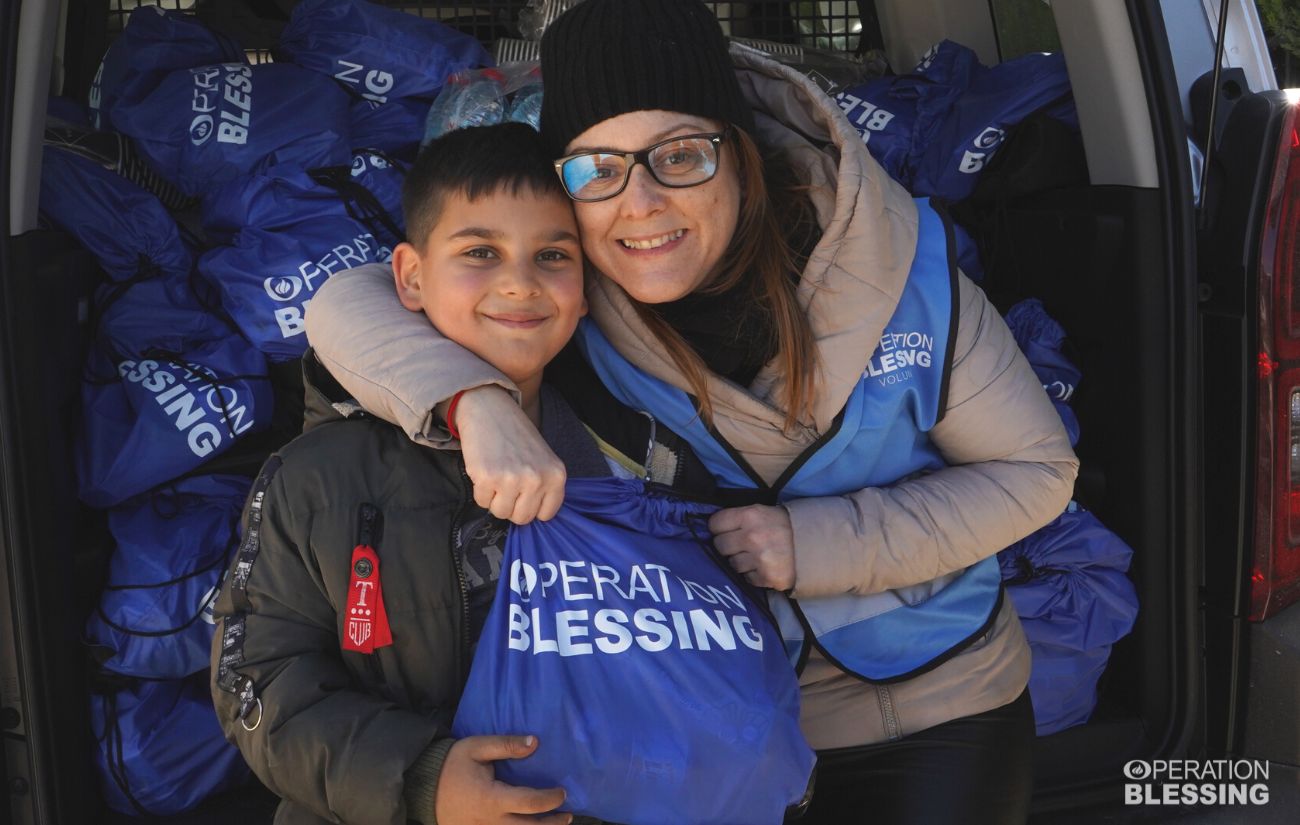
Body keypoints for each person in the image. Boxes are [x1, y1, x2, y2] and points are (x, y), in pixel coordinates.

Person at [305, 0, 1079, 822]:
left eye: (679, 155)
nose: (639, 201)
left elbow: (1035, 471)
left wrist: (819, 542)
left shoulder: (897, 267)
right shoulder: (567, 298)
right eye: (599, 168)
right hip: (703, 724)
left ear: (739, 155)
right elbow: (350, 304)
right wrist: (475, 402)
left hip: (940, 700)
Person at [209, 122, 716, 825]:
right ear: (411, 277)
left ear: (587, 287)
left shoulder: (643, 462)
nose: (519, 283)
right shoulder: (317, 475)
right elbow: (257, 678)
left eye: (552, 255)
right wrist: (421, 779)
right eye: (480, 252)